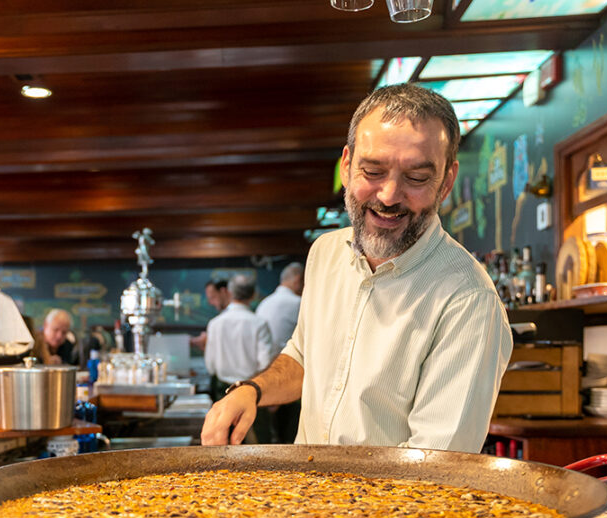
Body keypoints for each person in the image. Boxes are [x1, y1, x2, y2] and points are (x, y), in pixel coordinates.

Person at [201, 83, 512, 453]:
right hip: (302, 498)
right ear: (347, 166)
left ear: (446, 182)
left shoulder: (469, 300)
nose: (389, 196)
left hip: (390, 510)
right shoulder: (325, 253)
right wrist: (252, 390)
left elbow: (436, 468)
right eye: (373, 171)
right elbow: (304, 356)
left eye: (416, 178)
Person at [204, 274, 275, 443]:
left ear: (229, 292)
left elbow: (210, 366)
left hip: (223, 393)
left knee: (225, 447)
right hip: (254, 392)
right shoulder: (259, 323)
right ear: (253, 295)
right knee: (261, 450)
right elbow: (265, 362)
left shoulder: (215, 323)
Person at [254, 262, 304, 443]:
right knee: (290, 436)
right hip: (290, 374)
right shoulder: (298, 303)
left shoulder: (264, 303)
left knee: (274, 436)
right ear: (298, 281)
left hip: (267, 373)